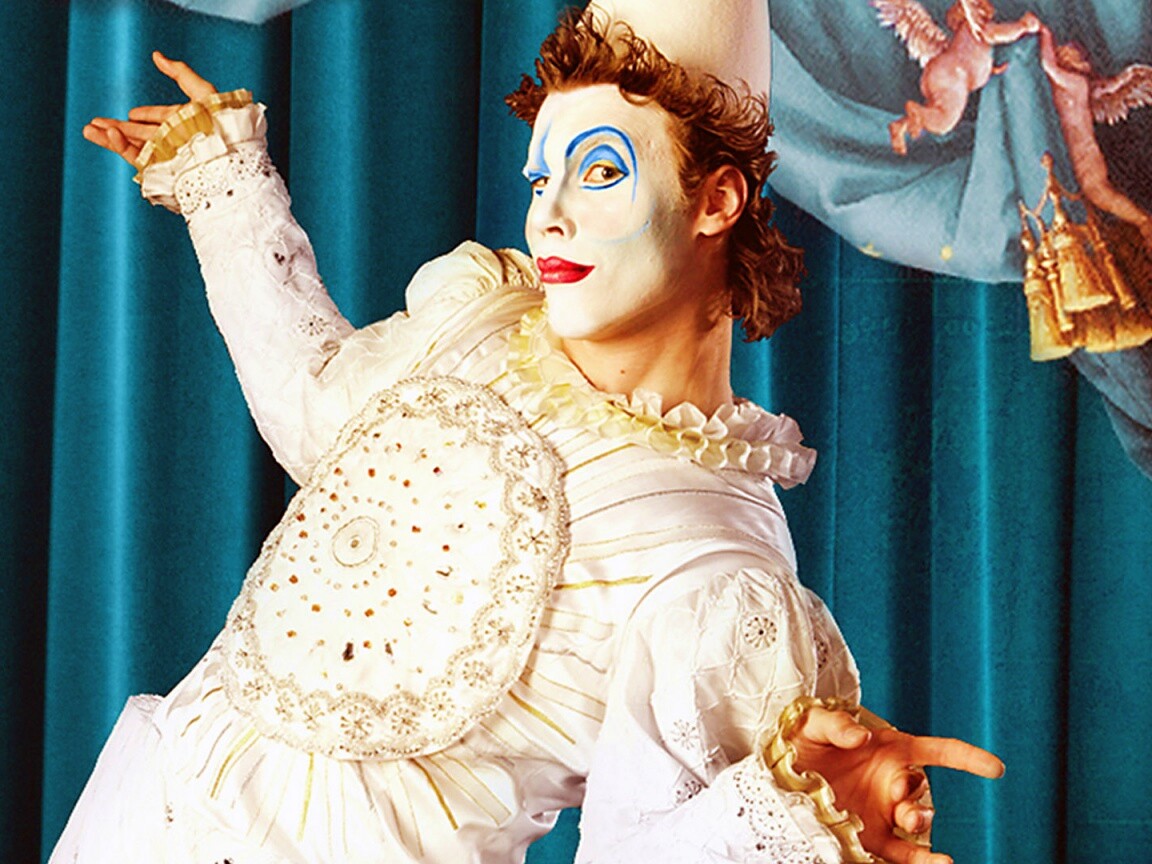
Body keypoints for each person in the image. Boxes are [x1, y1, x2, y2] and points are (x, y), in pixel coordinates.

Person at [66, 4, 1002, 863]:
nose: (549, 214)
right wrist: (226, 187)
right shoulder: (485, 323)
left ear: (717, 201)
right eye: (542, 177)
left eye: (600, 172)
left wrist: (798, 807)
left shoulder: (716, 568)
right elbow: (319, 417)